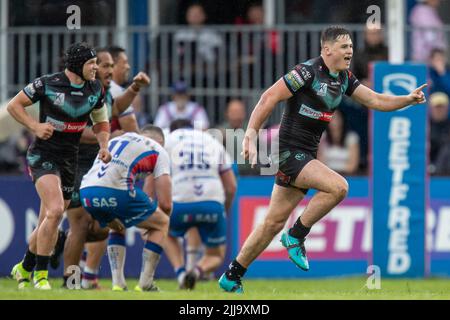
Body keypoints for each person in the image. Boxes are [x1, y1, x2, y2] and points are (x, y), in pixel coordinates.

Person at [218, 26, 427, 293]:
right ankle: (296, 235)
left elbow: (375, 100)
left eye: (351, 46)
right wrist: (249, 134)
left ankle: (232, 275)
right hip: (288, 153)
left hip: (305, 155)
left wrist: (407, 99)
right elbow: (268, 97)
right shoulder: (305, 72)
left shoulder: (345, 79)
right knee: (339, 187)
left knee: (271, 223)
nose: (350, 50)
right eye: (344, 46)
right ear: (327, 49)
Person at [8, 42, 112, 290]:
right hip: (43, 155)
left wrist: (104, 145)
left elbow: (101, 122)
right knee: (55, 211)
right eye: (91, 62)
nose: (95, 67)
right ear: (77, 65)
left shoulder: (95, 89)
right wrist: (34, 127)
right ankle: (40, 276)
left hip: (69, 159)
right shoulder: (47, 83)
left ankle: (23, 266)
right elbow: (14, 105)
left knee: (49, 218)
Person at [62, 48, 150, 289]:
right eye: (104, 65)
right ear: (91, 67)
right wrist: (109, 136)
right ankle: (71, 283)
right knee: (80, 224)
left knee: (101, 229)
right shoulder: (79, 93)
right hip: (76, 163)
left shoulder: (104, 92)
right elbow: (74, 130)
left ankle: (60, 241)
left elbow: (116, 110)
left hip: (98, 163)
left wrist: (134, 88)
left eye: (112, 65)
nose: (110, 70)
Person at [80, 125, 172, 291]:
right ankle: (146, 283)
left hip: (86, 192)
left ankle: (118, 284)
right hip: (115, 191)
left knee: (118, 224)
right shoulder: (158, 149)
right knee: (162, 223)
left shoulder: (117, 140)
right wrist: (155, 226)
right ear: (159, 141)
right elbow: (165, 204)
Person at [162, 119, 236, 289]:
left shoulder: (169, 139)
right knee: (216, 255)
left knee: (163, 231)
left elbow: (156, 178)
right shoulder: (211, 141)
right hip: (212, 202)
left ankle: (181, 273)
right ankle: (196, 271)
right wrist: (224, 210)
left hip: (181, 201)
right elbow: (231, 186)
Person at [317, 109, 360, 175]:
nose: (334, 122)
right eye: (332, 118)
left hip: (348, 177)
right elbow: (320, 162)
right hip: (326, 176)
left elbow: (353, 166)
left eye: (337, 118)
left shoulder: (352, 137)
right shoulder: (322, 136)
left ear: (342, 119)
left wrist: (332, 170)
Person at [428, 92, 450, 174]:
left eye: (442, 107)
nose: (439, 110)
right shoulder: (424, 127)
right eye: (437, 107)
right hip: (427, 167)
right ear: (431, 108)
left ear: (447, 108)